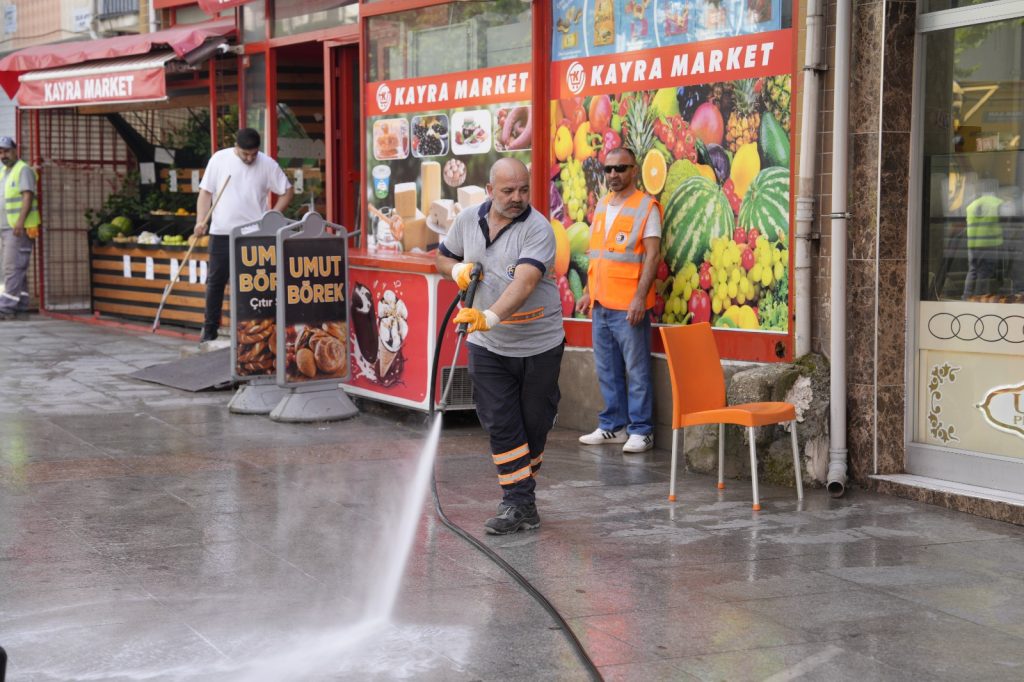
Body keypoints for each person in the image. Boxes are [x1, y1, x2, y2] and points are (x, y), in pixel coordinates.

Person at [436, 158, 565, 535]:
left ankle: (521, 495)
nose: (517, 198)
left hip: (539, 344)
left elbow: (524, 284)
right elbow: (442, 257)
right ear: (490, 191)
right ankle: (518, 503)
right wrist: (456, 270)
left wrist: (488, 315)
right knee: (502, 423)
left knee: (533, 427)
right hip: (488, 346)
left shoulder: (538, 229)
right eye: (508, 191)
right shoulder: (467, 220)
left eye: (524, 189)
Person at [575, 147, 662, 453]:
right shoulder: (602, 205)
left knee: (636, 370)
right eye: (608, 169)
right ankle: (614, 426)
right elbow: (598, 256)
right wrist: (588, 292)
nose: (613, 175)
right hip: (601, 304)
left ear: (634, 170)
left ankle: (641, 430)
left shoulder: (646, 207)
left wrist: (640, 298)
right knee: (607, 369)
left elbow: (653, 255)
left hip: (629, 306)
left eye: (620, 168)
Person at [194, 128, 294, 342]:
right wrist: (200, 220)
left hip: (254, 234)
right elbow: (205, 193)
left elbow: (287, 191)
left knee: (254, 283)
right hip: (222, 232)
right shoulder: (219, 159)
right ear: (236, 147)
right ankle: (209, 330)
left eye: (253, 154)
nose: (249, 158)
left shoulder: (267, 164)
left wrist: (274, 214)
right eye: (244, 154)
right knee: (215, 282)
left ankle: (252, 329)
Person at [0, 136, 40, 321]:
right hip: (7, 227)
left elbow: (27, 197)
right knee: (18, 268)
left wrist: (19, 222)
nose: (3, 155)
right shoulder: (4, 171)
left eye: (7, 151)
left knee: (12, 268)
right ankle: (22, 306)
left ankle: (5, 308)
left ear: (16, 150)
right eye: (0, 152)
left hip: (17, 228)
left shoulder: (22, 170)